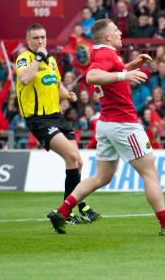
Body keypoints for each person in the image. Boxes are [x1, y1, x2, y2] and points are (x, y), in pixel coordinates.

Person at [47, 19, 165, 236]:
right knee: (150, 174)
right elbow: (92, 76)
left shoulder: (101, 53)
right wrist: (125, 74)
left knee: (101, 177)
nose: (120, 32)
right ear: (107, 37)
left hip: (106, 124)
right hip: (124, 124)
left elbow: (108, 73)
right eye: (115, 30)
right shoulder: (106, 54)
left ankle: (63, 210)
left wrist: (131, 66)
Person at [16, 24, 100, 224]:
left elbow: (57, 85)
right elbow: (25, 78)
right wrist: (37, 57)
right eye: (36, 38)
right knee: (72, 156)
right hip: (38, 119)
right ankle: (71, 210)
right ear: (28, 41)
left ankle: (77, 207)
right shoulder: (24, 59)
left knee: (77, 162)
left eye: (43, 37)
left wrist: (67, 94)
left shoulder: (52, 61)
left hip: (57, 117)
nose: (40, 41)